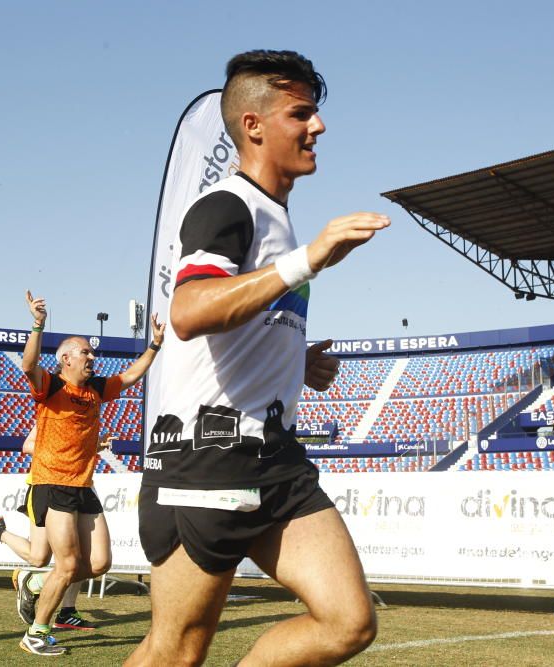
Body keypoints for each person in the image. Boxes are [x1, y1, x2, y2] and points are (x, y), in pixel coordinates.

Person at [127, 50, 390, 667]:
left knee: (349, 621)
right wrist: (309, 259)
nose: (317, 127)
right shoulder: (227, 207)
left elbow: (242, 330)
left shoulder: (278, 221)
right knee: (178, 649)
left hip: (276, 461)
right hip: (205, 463)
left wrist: (297, 364)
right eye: (302, 113)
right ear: (253, 125)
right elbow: (190, 312)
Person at [15, 290, 164, 656]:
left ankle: (36, 581)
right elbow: (27, 365)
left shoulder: (97, 388)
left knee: (99, 563)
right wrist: (37, 325)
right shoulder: (50, 386)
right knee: (66, 565)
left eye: (92, 353)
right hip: (53, 484)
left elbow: (130, 375)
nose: (92, 357)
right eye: (85, 352)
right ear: (65, 359)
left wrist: (155, 347)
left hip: (83, 486)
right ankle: (36, 632)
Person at [0, 425, 114, 631]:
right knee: (39, 557)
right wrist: (68, 450)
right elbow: (28, 445)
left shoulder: (89, 412)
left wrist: (93, 446)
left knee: (85, 557)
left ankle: (66, 610)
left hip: (81, 486)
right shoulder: (55, 411)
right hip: (48, 486)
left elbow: (79, 452)